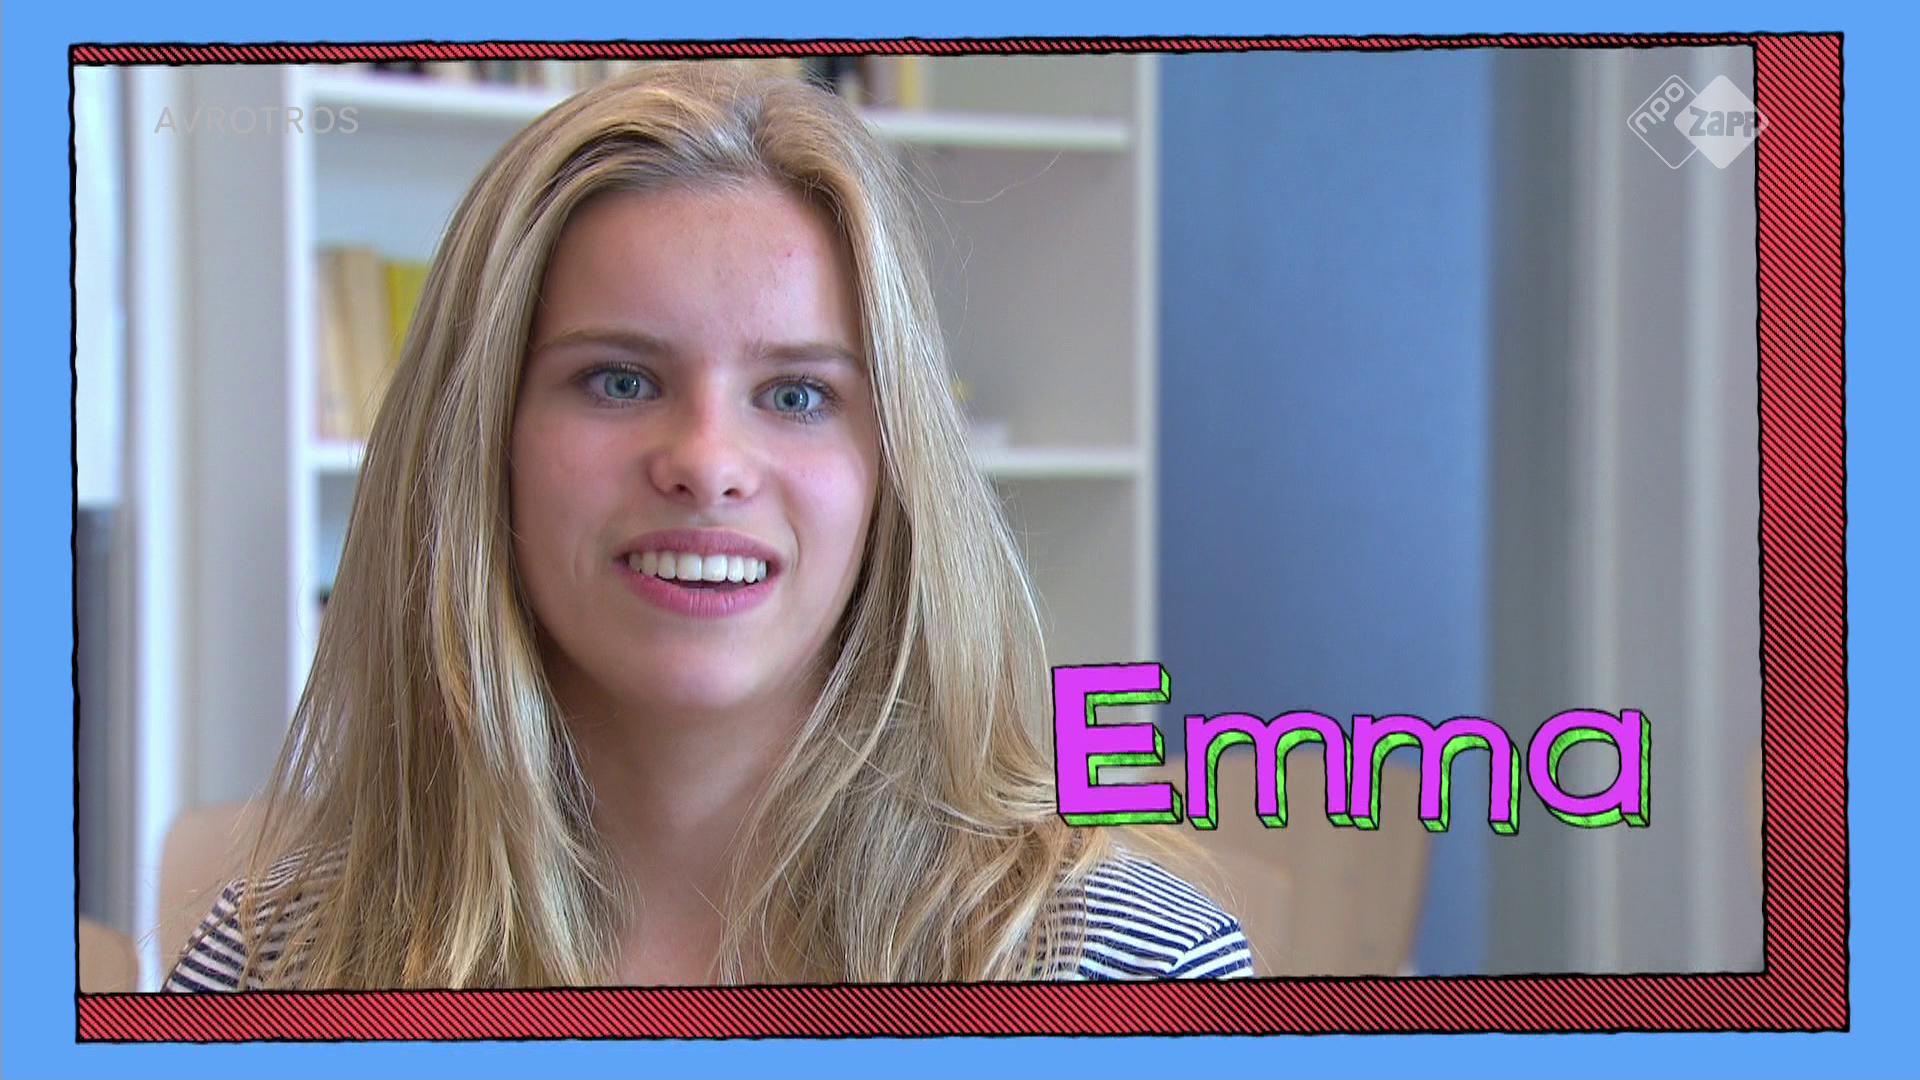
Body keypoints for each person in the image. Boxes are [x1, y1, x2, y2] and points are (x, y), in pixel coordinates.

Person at [163, 60, 1252, 990]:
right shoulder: (271, 963)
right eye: (620, 380)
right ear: (481, 444)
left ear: (894, 473)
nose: (708, 463)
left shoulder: (1126, 968)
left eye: (797, 395)